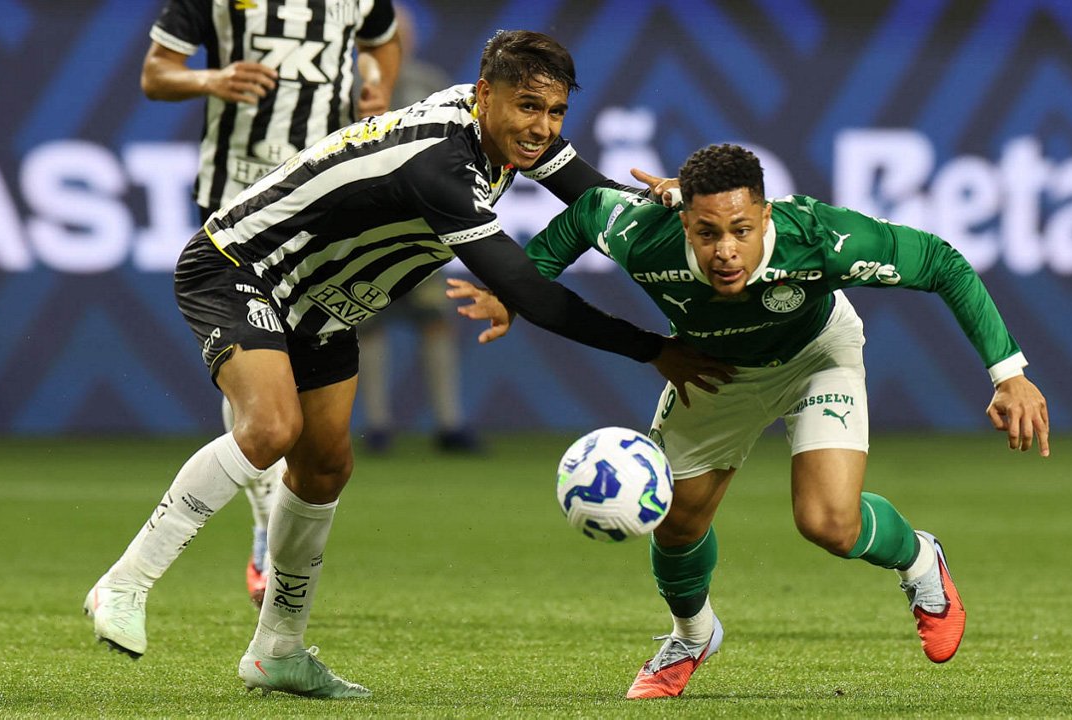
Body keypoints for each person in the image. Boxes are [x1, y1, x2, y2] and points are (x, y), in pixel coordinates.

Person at [83, 30, 733, 699]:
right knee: (271, 428)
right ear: (485, 95)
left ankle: (277, 651)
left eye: (556, 111)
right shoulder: (440, 163)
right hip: (241, 266)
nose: (542, 127)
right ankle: (124, 585)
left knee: (325, 467)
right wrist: (654, 350)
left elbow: (593, 197)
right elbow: (529, 291)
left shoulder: (505, 136)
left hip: (324, 305)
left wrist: (679, 203)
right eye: (529, 107)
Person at [447, 143, 1050, 699]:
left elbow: (941, 262)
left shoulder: (820, 238)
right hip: (714, 370)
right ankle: (692, 634)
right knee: (674, 522)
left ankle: (920, 561)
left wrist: (1009, 374)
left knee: (828, 523)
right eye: (707, 233)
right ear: (685, 223)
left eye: (741, 230)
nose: (725, 251)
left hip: (816, 356)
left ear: (766, 216)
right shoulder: (643, 233)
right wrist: (516, 288)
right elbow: (583, 215)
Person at [109, 0, 403, 610]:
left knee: (296, 370)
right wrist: (211, 79)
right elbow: (156, 73)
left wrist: (379, 88)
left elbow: (383, 41)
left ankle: (272, 518)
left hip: (325, 201)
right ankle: (267, 512)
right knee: (256, 359)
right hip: (236, 197)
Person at [355, 6, 481, 454]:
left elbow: (457, 147)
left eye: (400, 36)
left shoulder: (430, 83)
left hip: (420, 228)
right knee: (366, 323)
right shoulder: (350, 88)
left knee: (436, 321)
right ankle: (377, 426)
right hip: (364, 231)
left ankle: (449, 423)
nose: (396, 43)